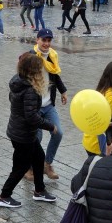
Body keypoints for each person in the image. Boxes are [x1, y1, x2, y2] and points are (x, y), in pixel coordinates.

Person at [0, 54, 58, 208]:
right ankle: (4, 195)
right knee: (21, 166)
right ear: (33, 71)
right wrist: (50, 126)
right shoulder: (30, 89)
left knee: (38, 157)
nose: (42, 72)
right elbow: (31, 117)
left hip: (19, 131)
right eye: (40, 69)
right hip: (23, 134)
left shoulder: (18, 81)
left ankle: (39, 190)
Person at [22, 29, 67, 181]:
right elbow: (22, 78)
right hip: (34, 106)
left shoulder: (53, 55)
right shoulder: (31, 56)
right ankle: (28, 167)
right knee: (36, 138)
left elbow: (55, 75)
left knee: (58, 132)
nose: (46, 44)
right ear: (37, 40)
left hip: (48, 105)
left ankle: (47, 164)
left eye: (49, 40)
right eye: (44, 40)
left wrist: (63, 91)